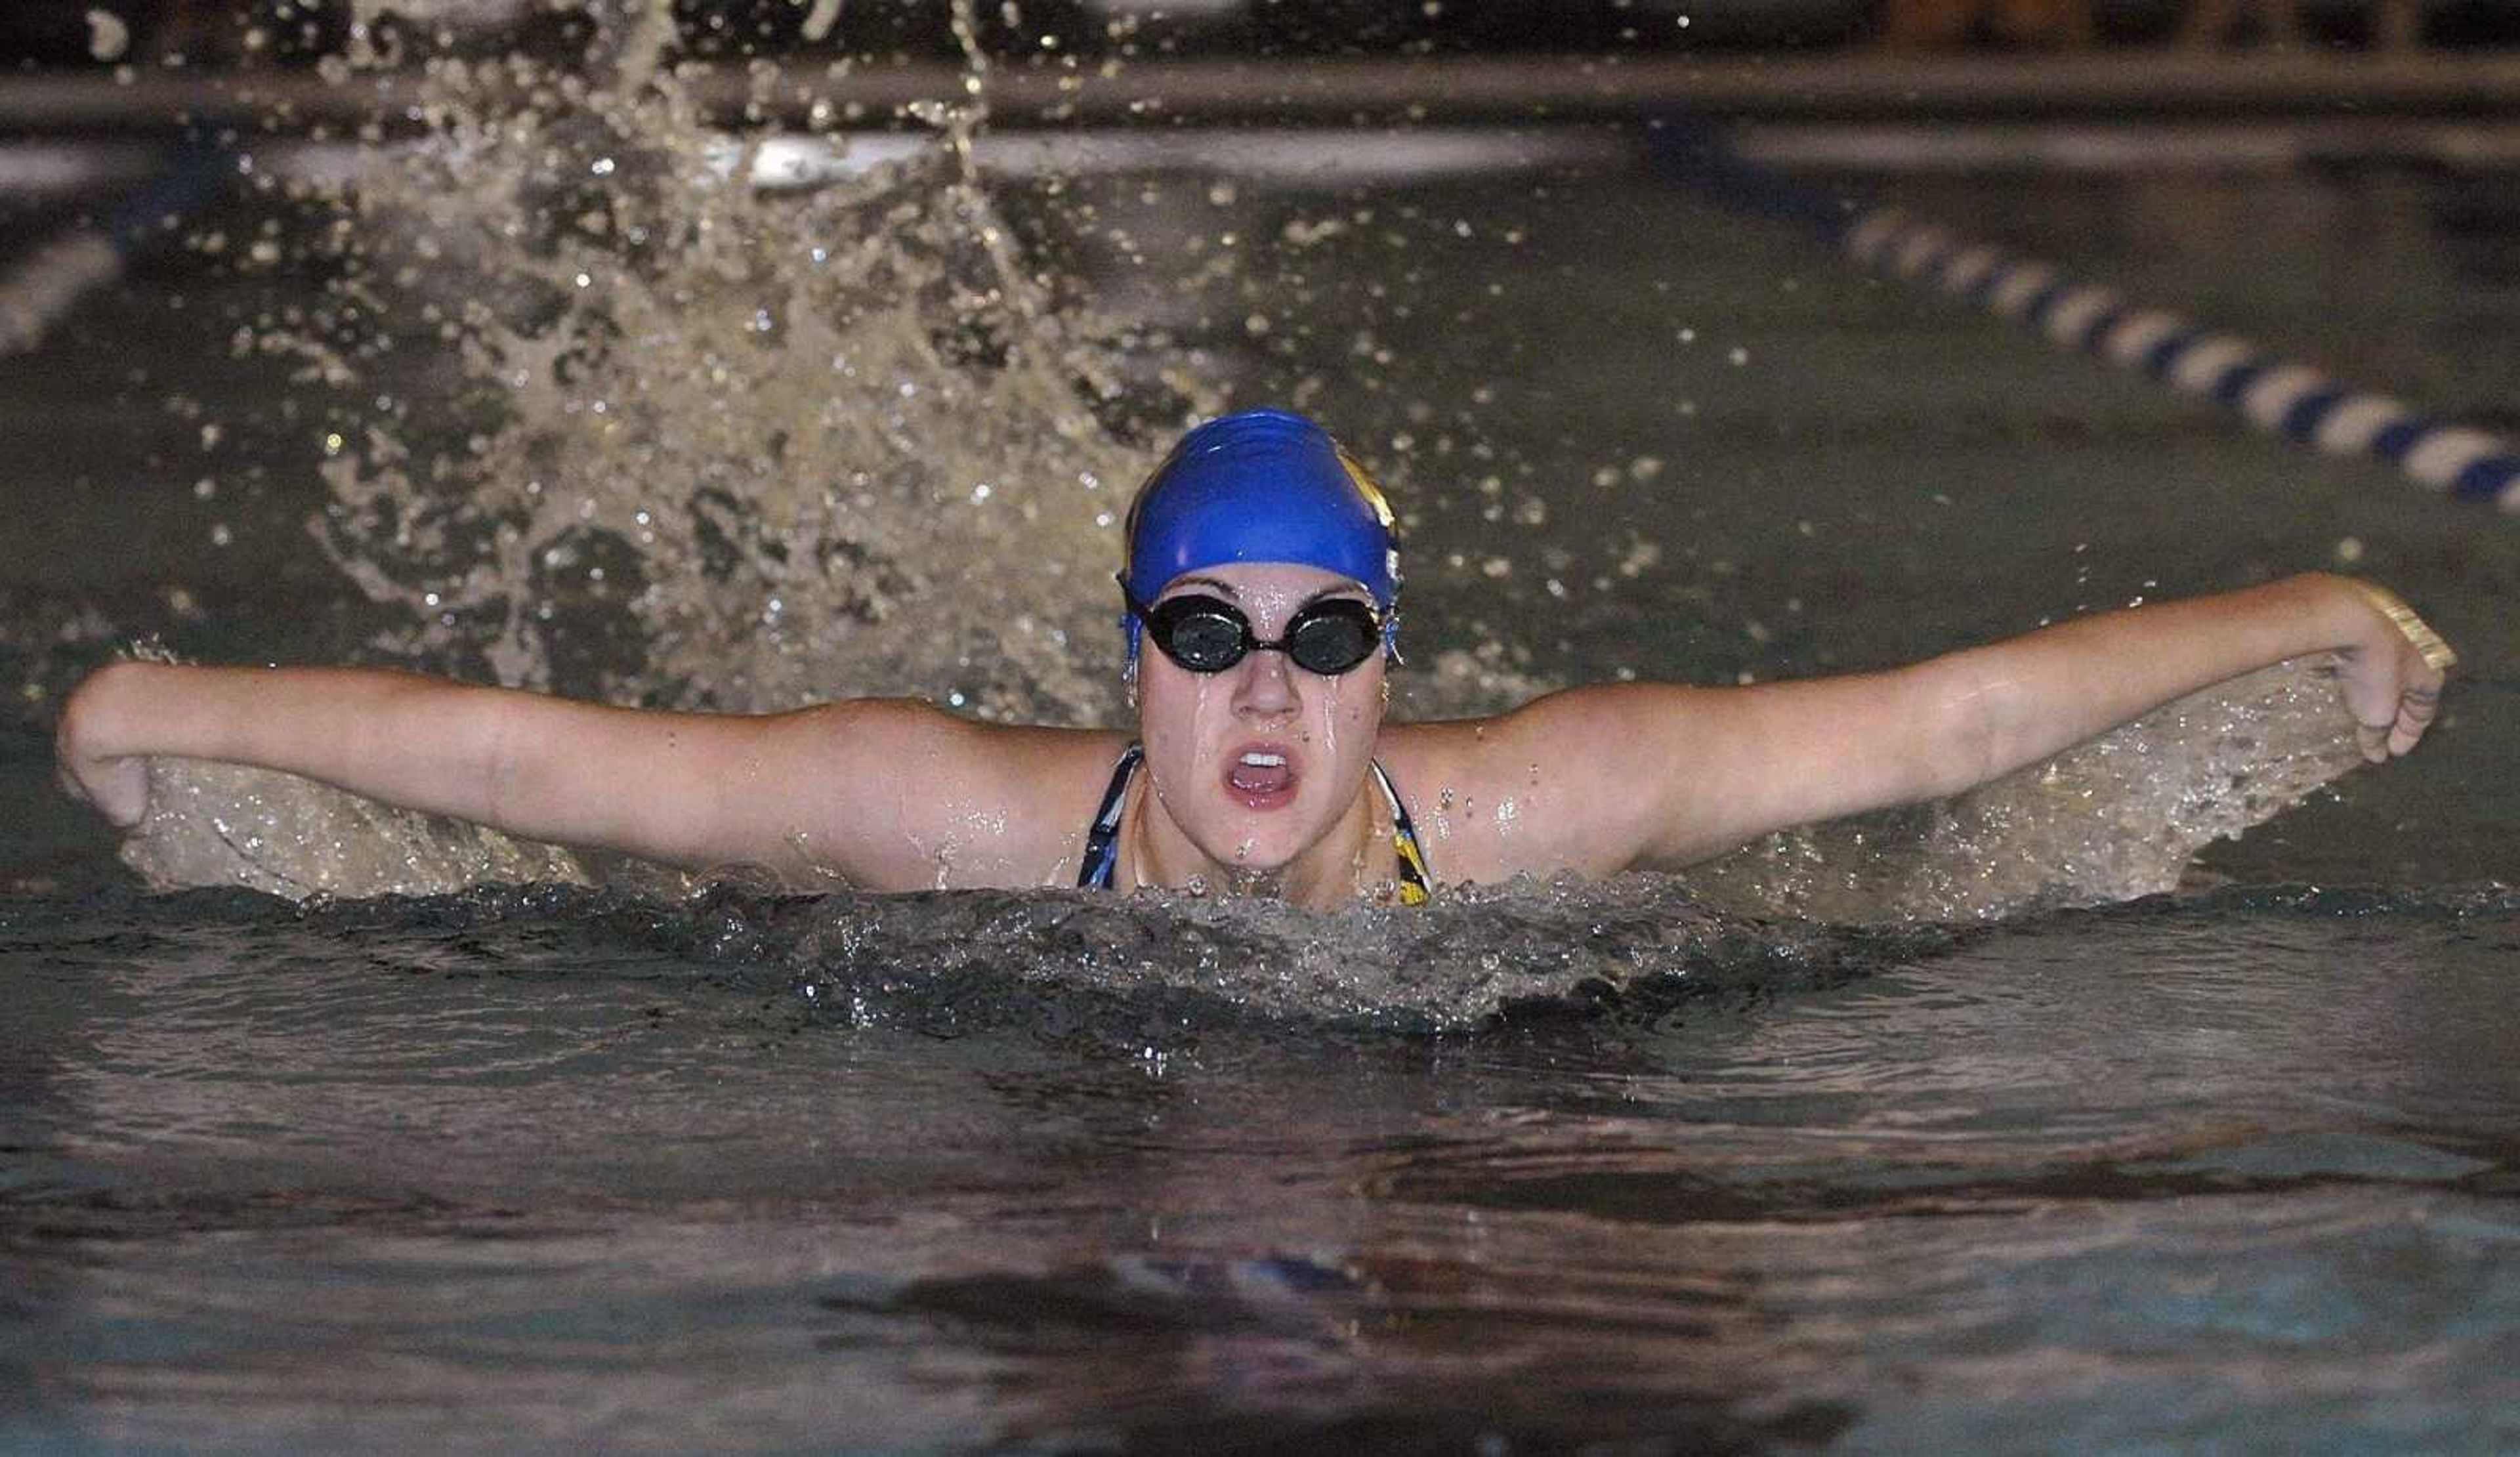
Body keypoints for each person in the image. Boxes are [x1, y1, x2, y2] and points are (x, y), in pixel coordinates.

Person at [54, 408, 2454, 911]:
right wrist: (150, 700)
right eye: (1207, 638)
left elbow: (1951, 720)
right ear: (1130, 669)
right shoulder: (954, 817)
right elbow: (553, 764)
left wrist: (2324, 602)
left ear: (1398, 672)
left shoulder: (1546, 807)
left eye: (1326, 642)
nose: (1268, 697)